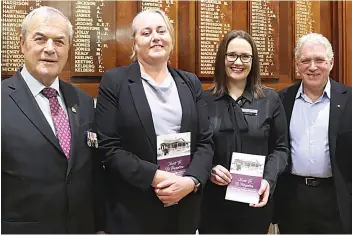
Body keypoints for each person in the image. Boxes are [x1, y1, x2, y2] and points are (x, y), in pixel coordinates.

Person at [95, 9, 214, 233]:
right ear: (134, 43)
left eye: (161, 31)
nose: (155, 37)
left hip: (183, 205)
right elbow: (108, 147)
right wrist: (155, 177)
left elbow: (206, 141)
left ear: (171, 39)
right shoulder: (115, 82)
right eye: (146, 32)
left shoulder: (190, 83)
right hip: (134, 208)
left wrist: (191, 181)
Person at [1, 6, 104, 233]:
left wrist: (100, 226)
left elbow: (93, 172)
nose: (50, 49)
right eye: (40, 39)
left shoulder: (84, 102)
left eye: (59, 42)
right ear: (22, 44)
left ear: (68, 49)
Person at [198, 30, 289, 234]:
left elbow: (281, 149)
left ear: (253, 60)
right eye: (231, 55)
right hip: (213, 205)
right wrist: (210, 168)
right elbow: (197, 147)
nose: (237, 62)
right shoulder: (204, 101)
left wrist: (268, 179)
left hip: (255, 202)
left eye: (245, 56)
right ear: (222, 57)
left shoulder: (270, 100)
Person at [275, 32, 352, 233]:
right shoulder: (281, 100)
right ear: (297, 64)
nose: (312, 67)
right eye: (305, 60)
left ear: (331, 62)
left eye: (319, 60)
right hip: (293, 198)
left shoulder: (351, 100)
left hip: (336, 199)